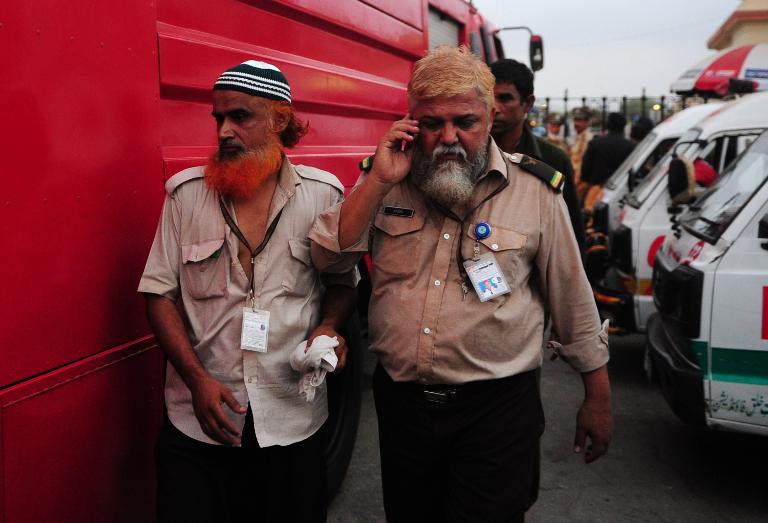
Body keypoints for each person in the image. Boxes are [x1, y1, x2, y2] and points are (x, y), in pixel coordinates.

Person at [309, 46, 613, 522]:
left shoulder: (535, 193)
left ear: (491, 117)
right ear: (411, 122)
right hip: (405, 409)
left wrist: (598, 396)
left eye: (465, 122)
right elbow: (330, 256)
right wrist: (377, 182)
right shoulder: (386, 183)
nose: (448, 137)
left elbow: (572, 298)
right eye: (432, 123)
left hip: (497, 412)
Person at [138, 60, 358, 522]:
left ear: (280, 120)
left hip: (291, 418)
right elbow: (158, 293)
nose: (223, 131)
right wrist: (197, 380)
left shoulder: (323, 196)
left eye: (240, 117)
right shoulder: (185, 195)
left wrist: (329, 325)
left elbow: (341, 282)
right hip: (199, 424)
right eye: (218, 118)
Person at [489, 58, 584, 254]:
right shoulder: (468, 154)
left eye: (505, 98)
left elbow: (571, 237)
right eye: (489, 98)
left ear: (528, 104)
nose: (495, 108)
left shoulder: (553, 160)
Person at [581, 112, 635, 210]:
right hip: (620, 193)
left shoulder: (595, 143)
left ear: (607, 125)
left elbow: (585, 172)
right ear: (623, 127)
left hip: (596, 191)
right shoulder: (629, 146)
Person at [570, 106, 594, 202]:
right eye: (575, 120)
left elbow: (584, 164)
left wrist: (576, 183)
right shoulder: (579, 137)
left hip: (580, 183)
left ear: (587, 122)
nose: (576, 124)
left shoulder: (587, 138)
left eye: (580, 120)